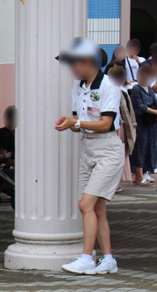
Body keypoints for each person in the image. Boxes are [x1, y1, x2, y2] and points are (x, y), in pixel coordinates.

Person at [55, 37, 124, 275]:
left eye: (74, 62)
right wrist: (70, 123)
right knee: (97, 209)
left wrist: (76, 122)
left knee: (85, 204)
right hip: (88, 148)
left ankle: (87, 258)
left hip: (108, 150)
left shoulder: (109, 87)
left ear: (88, 61)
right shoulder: (78, 88)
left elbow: (106, 124)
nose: (72, 68)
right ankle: (108, 260)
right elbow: (80, 123)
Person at [108, 65, 137, 189]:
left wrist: (132, 125)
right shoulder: (109, 91)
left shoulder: (123, 93)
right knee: (114, 154)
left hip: (121, 126)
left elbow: (129, 112)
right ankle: (113, 182)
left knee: (120, 153)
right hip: (113, 127)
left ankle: (117, 182)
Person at [129, 64, 157, 186]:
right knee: (140, 147)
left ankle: (146, 171)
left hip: (151, 123)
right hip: (141, 123)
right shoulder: (136, 89)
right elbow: (140, 107)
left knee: (150, 146)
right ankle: (138, 175)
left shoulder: (149, 89)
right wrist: (154, 111)